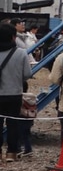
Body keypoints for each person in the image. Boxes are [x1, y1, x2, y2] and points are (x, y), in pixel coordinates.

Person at [0, 23, 32, 162]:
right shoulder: (20, 53)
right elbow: (27, 74)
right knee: (13, 123)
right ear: (13, 37)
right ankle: (11, 152)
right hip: (14, 93)